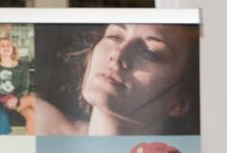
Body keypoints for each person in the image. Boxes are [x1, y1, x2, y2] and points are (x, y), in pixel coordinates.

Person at [29, 23, 199, 137]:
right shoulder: (32, 120)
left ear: (180, 102)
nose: (117, 54)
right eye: (114, 37)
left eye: (150, 52)